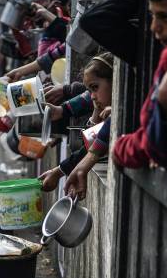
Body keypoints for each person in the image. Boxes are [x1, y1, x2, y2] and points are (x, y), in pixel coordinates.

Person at [63, 0, 167, 199]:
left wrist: (118, 148)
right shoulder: (150, 52)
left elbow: (153, 145)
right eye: (151, 16)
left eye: (163, 16)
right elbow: (94, 20)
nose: (154, 28)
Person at [39, 53, 114, 192]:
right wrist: (95, 114)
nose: (92, 96)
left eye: (95, 87)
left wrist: (59, 171)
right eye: (89, 90)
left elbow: (91, 147)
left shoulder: (115, 114)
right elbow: (89, 143)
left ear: (115, 80)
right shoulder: (105, 110)